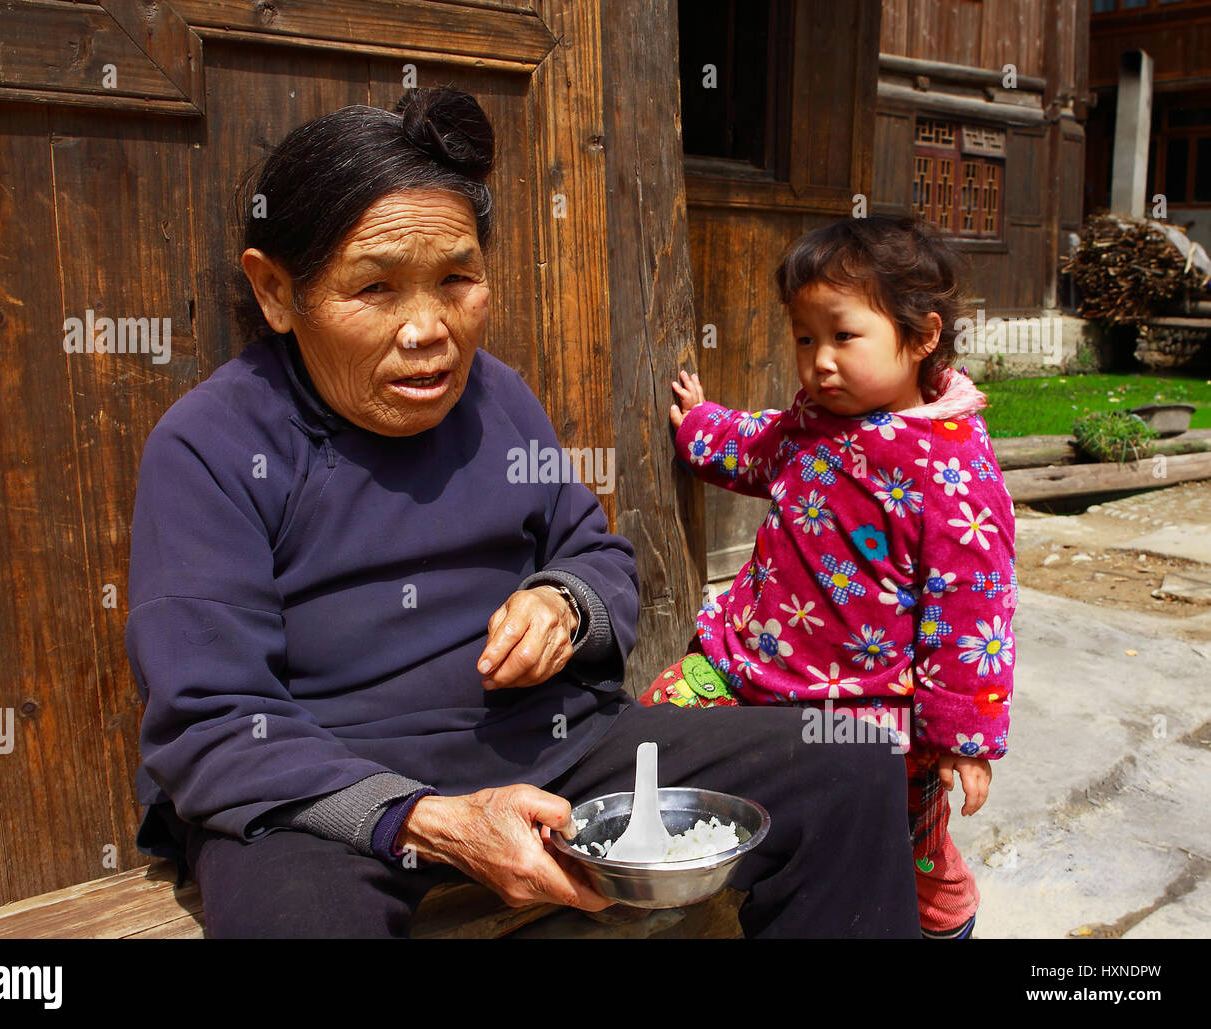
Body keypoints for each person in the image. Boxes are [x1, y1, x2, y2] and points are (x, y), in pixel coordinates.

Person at [125, 87, 920, 938]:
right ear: (278, 291)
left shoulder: (496, 400)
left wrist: (565, 603)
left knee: (850, 761)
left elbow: (600, 555)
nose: (427, 329)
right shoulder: (210, 444)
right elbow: (209, 720)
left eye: (456, 279)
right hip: (331, 798)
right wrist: (429, 818)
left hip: (550, 749)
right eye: (376, 287)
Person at [649, 215, 1016, 940]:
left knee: (892, 848)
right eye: (805, 337)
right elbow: (756, 447)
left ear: (922, 335)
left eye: (843, 336)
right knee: (658, 729)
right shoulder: (815, 421)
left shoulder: (951, 471)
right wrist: (697, 427)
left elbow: (972, 614)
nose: (819, 361)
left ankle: (945, 913)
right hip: (747, 664)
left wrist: (965, 738)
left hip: (870, 713)